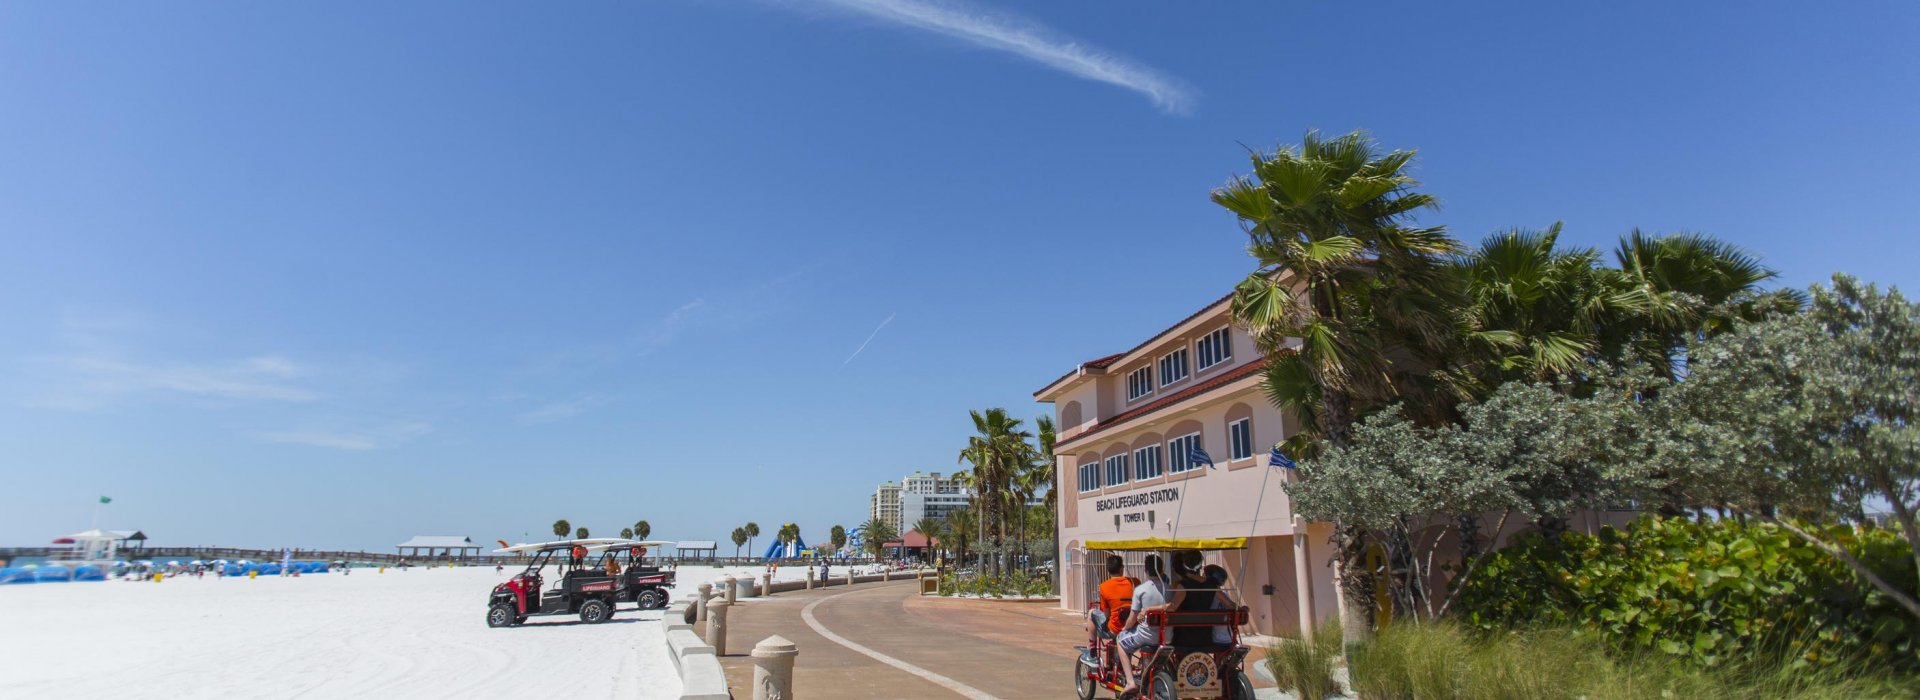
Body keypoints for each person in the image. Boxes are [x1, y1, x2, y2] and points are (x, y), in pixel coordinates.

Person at [1116, 554, 1166, 696]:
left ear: (1146, 570)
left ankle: (1130, 681)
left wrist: (1124, 628)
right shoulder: (1171, 589)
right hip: (1167, 636)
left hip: (1147, 636)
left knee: (1120, 640)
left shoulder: (1141, 589)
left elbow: (1132, 618)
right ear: (1162, 570)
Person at [1087, 555, 1134, 642]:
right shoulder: (1134, 582)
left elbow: (1107, 614)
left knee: (1091, 613)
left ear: (1108, 570)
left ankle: (1092, 648)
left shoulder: (1104, 587)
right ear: (1121, 568)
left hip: (1114, 630)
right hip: (1133, 628)